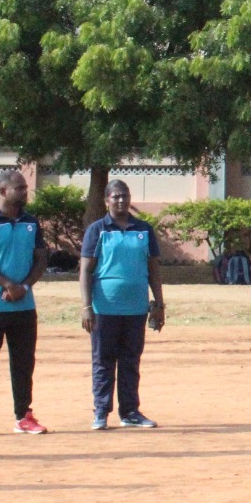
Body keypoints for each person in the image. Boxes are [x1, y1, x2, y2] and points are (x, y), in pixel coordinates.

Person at [0, 168, 49, 437]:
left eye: (25, 187)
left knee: (24, 363)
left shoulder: (31, 223)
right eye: (20, 188)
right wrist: (7, 285)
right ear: (3, 191)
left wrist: (23, 287)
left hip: (24, 307)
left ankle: (23, 416)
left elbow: (41, 259)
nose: (25, 192)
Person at [79, 180, 166, 430]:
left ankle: (129, 412)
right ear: (106, 200)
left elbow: (153, 269)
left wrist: (159, 303)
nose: (121, 201)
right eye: (116, 196)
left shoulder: (144, 229)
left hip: (136, 308)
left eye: (125, 196)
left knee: (130, 360)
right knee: (103, 361)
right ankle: (100, 412)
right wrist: (86, 307)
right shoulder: (98, 230)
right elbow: (86, 271)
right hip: (104, 307)